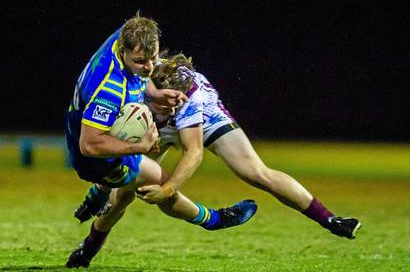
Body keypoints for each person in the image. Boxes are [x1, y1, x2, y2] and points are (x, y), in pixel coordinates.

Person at [64, 14, 258, 268]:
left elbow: (141, 65)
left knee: (124, 196)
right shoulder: (109, 88)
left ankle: (90, 239)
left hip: (95, 129)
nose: (149, 67)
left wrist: (153, 94)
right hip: (95, 159)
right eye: (140, 61)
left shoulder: (124, 36)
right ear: (123, 51)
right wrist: (139, 147)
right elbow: (88, 146)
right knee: (162, 184)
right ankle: (214, 220)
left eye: (153, 57)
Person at [144, 51, 362, 239]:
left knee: (255, 172)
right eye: (164, 105)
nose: (170, 111)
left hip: (207, 117)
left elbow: (194, 152)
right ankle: (213, 219)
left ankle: (329, 219)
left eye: (172, 106)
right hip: (155, 115)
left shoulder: (191, 97)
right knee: (125, 186)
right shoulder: (136, 74)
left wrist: (168, 189)